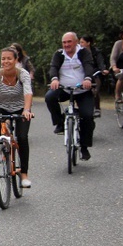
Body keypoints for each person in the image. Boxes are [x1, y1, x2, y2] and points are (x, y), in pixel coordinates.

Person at [45, 31, 95, 160]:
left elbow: (89, 66)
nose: (66, 45)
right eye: (64, 42)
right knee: (50, 97)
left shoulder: (83, 52)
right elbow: (53, 67)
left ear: (76, 42)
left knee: (88, 116)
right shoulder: (58, 54)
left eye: (69, 42)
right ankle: (60, 123)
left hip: (82, 90)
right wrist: (54, 79)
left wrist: (88, 79)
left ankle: (84, 147)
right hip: (65, 89)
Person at [0, 46, 34, 187]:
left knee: (22, 137)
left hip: (20, 108)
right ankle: (2, 147)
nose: (6, 61)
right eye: (3, 59)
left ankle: (24, 174)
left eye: (9, 58)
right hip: (0, 107)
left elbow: (28, 92)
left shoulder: (23, 74)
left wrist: (26, 109)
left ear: (16, 60)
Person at [79, 35, 108, 117]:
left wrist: (103, 69)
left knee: (96, 85)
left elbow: (100, 61)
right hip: (83, 72)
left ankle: (97, 108)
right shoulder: (79, 52)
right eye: (80, 42)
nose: (80, 44)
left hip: (95, 71)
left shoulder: (96, 52)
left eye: (82, 42)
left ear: (88, 43)